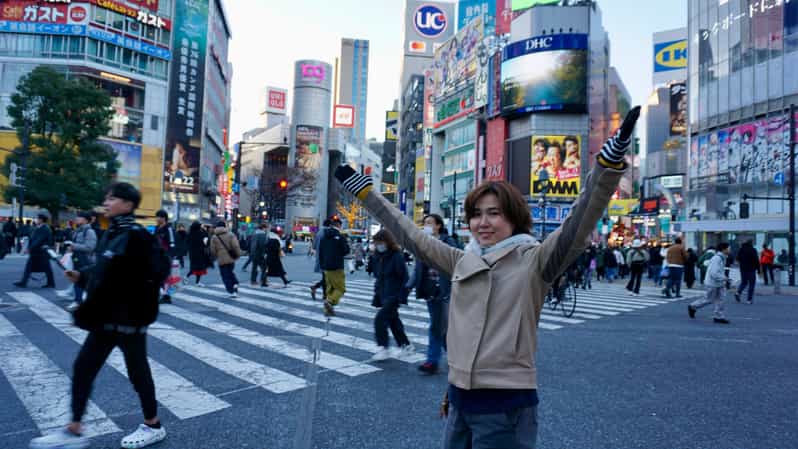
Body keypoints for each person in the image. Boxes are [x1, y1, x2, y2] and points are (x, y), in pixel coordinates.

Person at [335, 106, 640, 449]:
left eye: (494, 213)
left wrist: (606, 166)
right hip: (460, 400)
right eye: (476, 214)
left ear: (514, 218)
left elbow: (579, 221)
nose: (483, 222)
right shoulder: (463, 260)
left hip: (505, 405)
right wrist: (367, 195)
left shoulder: (535, 261)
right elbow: (412, 238)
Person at [28, 183, 167, 449]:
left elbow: (150, 274)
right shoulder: (112, 232)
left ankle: (153, 425)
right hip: (107, 318)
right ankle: (74, 429)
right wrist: (82, 276)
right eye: (106, 198)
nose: (106, 202)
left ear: (127, 204)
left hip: (129, 319)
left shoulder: (137, 236)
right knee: (83, 368)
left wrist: (132, 303)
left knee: (138, 373)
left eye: (112, 198)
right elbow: (106, 269)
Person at [409, 214, 459, 374]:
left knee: (437, 326)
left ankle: (433, 361)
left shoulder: (448, 241)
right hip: (429, 290)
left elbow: (457, 262)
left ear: (438, 225)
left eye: (430, 223)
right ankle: (455, 358)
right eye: (424, 223)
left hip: (444, 290)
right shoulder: (422, 244)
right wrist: (408, 286)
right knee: (441, 327)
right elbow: (418, 269)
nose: (426, 225)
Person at [370, 229, 414, 361]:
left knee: (380, 319)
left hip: (394, 295)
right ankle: (405, 345)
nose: (378, 245)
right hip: (383, 295)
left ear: (387, 242)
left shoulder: (397, 256)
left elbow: (405, 278)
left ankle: (383, 347)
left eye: (381, 242)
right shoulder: (377, 257)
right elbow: (379, 278)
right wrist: (377, 295)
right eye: (376, 243)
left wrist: (402, 296)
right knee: (393, 321)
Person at [688, 242, 731, 324]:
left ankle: (719, 316)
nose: (730, 249)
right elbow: (713, 273)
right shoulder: (717, 258)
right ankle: (693, 306)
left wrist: (724, 279)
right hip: (712, 282)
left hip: (719, 282)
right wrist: (725, 278)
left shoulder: (722, 257)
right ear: (724, 249)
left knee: (721, 300)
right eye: (729, 248)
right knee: (709, 299)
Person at [64, 211, 97, 311]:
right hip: (77, 258)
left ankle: (79, 302)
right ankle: (78, 301)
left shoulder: (89, 231)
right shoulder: (79, 230)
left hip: (85, 260)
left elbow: (90, 247)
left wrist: (73, 246)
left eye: (79, 217)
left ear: (86, 220)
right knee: (78, 280)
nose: (77, 219)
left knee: (81, 280)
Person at [318, 216, 349, 316]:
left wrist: (322, 264)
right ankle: (330, 302)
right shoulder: (340, 236)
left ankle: (328, 311)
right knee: (340, 289)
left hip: (326, 267)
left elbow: (320, 252)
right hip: (337, 266)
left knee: (330, 289)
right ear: (339, 225)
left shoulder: (324, 237)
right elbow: (346, 250)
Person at [13, 213, 55, 288]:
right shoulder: (40, 227)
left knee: (46, 268)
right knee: (32, 267)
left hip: (41, 251)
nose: (36, 220)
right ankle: (23, 282)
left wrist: (29, 248)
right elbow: (34, 239)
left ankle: (51, 283)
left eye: (37, 218)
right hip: (38, 251)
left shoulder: (44, 228)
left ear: (41, 220)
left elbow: (38, 240)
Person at [209, 220, 241, 298]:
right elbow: (235, 246)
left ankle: (231, 291)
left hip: (221, 259)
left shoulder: (214, 237)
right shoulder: (231, 234)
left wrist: (215, 256)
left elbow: (213, 250)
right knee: (230, 272)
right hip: (231, 258)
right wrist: (238, 255)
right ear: (225, 226)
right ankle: (235, 283)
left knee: (225, 275)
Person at [154, 210, 175, 304]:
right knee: (158, 276)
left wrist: (170, 256)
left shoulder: (168, 229)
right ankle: (165, 295)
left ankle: (166, 296)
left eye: (158, 217)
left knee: (165, 276)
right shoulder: (156, 228)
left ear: (163, 218)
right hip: (157, 256)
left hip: (166, 256)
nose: (156, 219)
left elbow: (172, 243)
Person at [309, 219, 331, 301]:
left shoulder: (318, 233)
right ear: (330, 225)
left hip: (320, 257)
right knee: (327, 277)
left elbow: (314, 246)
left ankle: (322, 293)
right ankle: (318, 289)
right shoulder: (327, 233)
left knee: (325, 277)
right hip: (326, 258)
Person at [186, 221, 211, 286]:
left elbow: (187, 242)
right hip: (200, 253)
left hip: (192, 253)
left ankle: (187, 277)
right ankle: (197, 282)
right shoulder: (201, 233)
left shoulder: (190, 233)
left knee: (194, 267)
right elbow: (206, 242)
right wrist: (205, 231)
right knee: (200, 268)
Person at [735, 240, 759, 304]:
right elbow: (756, 260)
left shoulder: (741, 249)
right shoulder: (753, 250)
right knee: (751, 284)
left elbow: (737, 259)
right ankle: (749, 299)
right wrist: (758, 269)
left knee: (744, 282)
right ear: (751, 243)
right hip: (751, 269)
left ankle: (738, 292)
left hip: (743, 269)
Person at [248, 223, 269, 287]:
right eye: (266, 228)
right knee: (264, 268)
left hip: (253, 253)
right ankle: (263, 281)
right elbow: (264, 245)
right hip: (260, 253)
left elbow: (250, 243)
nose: (266, 229)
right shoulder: (263, 235)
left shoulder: (254, 234)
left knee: (254, 267)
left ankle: (253, 280)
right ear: (263, 228)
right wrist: (265, 253)